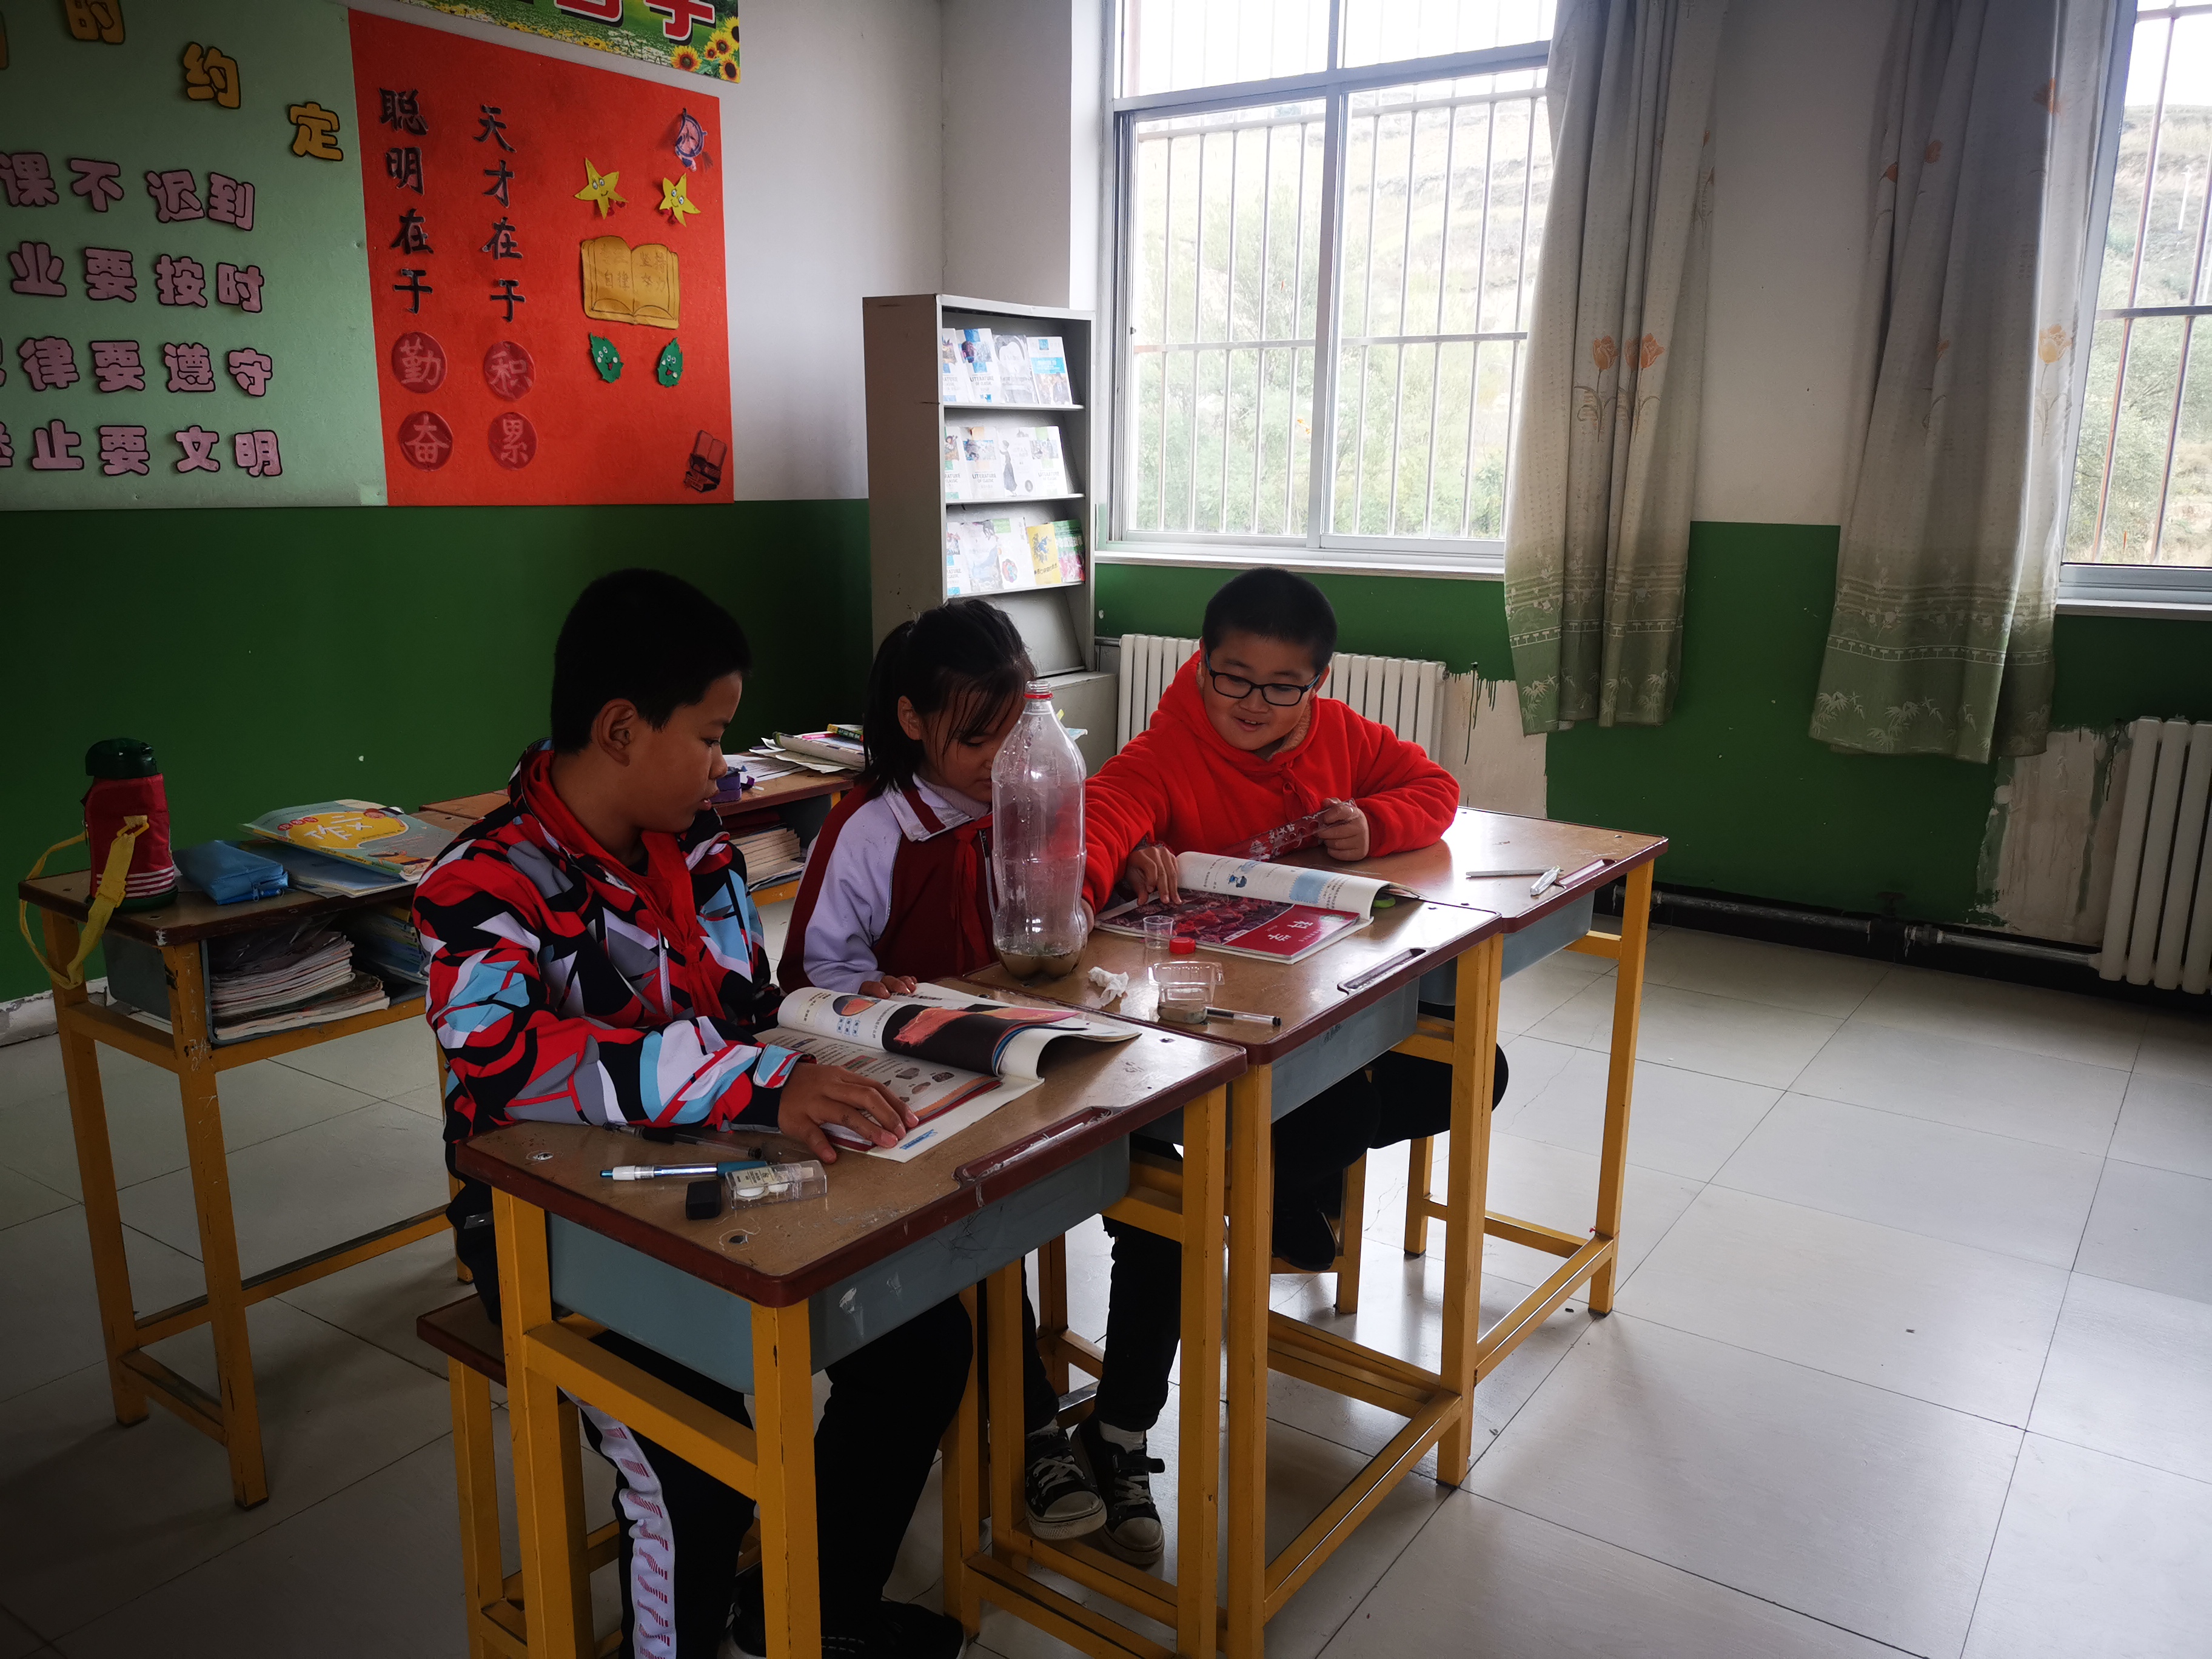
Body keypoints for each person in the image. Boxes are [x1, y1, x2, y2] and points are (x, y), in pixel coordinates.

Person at [416, 569, 971, 1659]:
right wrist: (750, 1083)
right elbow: (504, 1072)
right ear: (622, 729)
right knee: (696, 1460)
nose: (726, 765)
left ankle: (806, 1615)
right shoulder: (479, 885)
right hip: (550, 1225)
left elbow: (739, 1006)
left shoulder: (699, 844)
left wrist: (846, 1017)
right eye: (712, 737)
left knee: (924, 1341)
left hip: (716, 1174)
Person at [1065, 566, 1507, 1563]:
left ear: (1319, 681)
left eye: (1282, 687)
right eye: (1233, 679)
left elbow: (1435, 789)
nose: (1254, 705)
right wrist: (1089, 889)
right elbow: (1101, 819)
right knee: (1179, 1200)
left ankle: (1279, 1192)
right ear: (1201, 664)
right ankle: (1122, 1430)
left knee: (1472, 1071)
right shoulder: (1166, 751)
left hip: (1316, 1012)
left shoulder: (1340, 734)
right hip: (1205, 1041)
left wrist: (1376, 825)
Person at [777, 600, 1114, 1555]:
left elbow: (1075, 890)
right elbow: (808, 981)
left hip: (1018, 1054)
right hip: (910, 1086)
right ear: (914, 721)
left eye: (1015, 728)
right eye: (975, 737)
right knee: (984, 1230)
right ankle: (1035, 1429)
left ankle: (1101, 1421)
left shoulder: (1031, 794)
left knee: (1115, 1164)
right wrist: (866, 990)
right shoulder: (873, 828)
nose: (1001, 757)